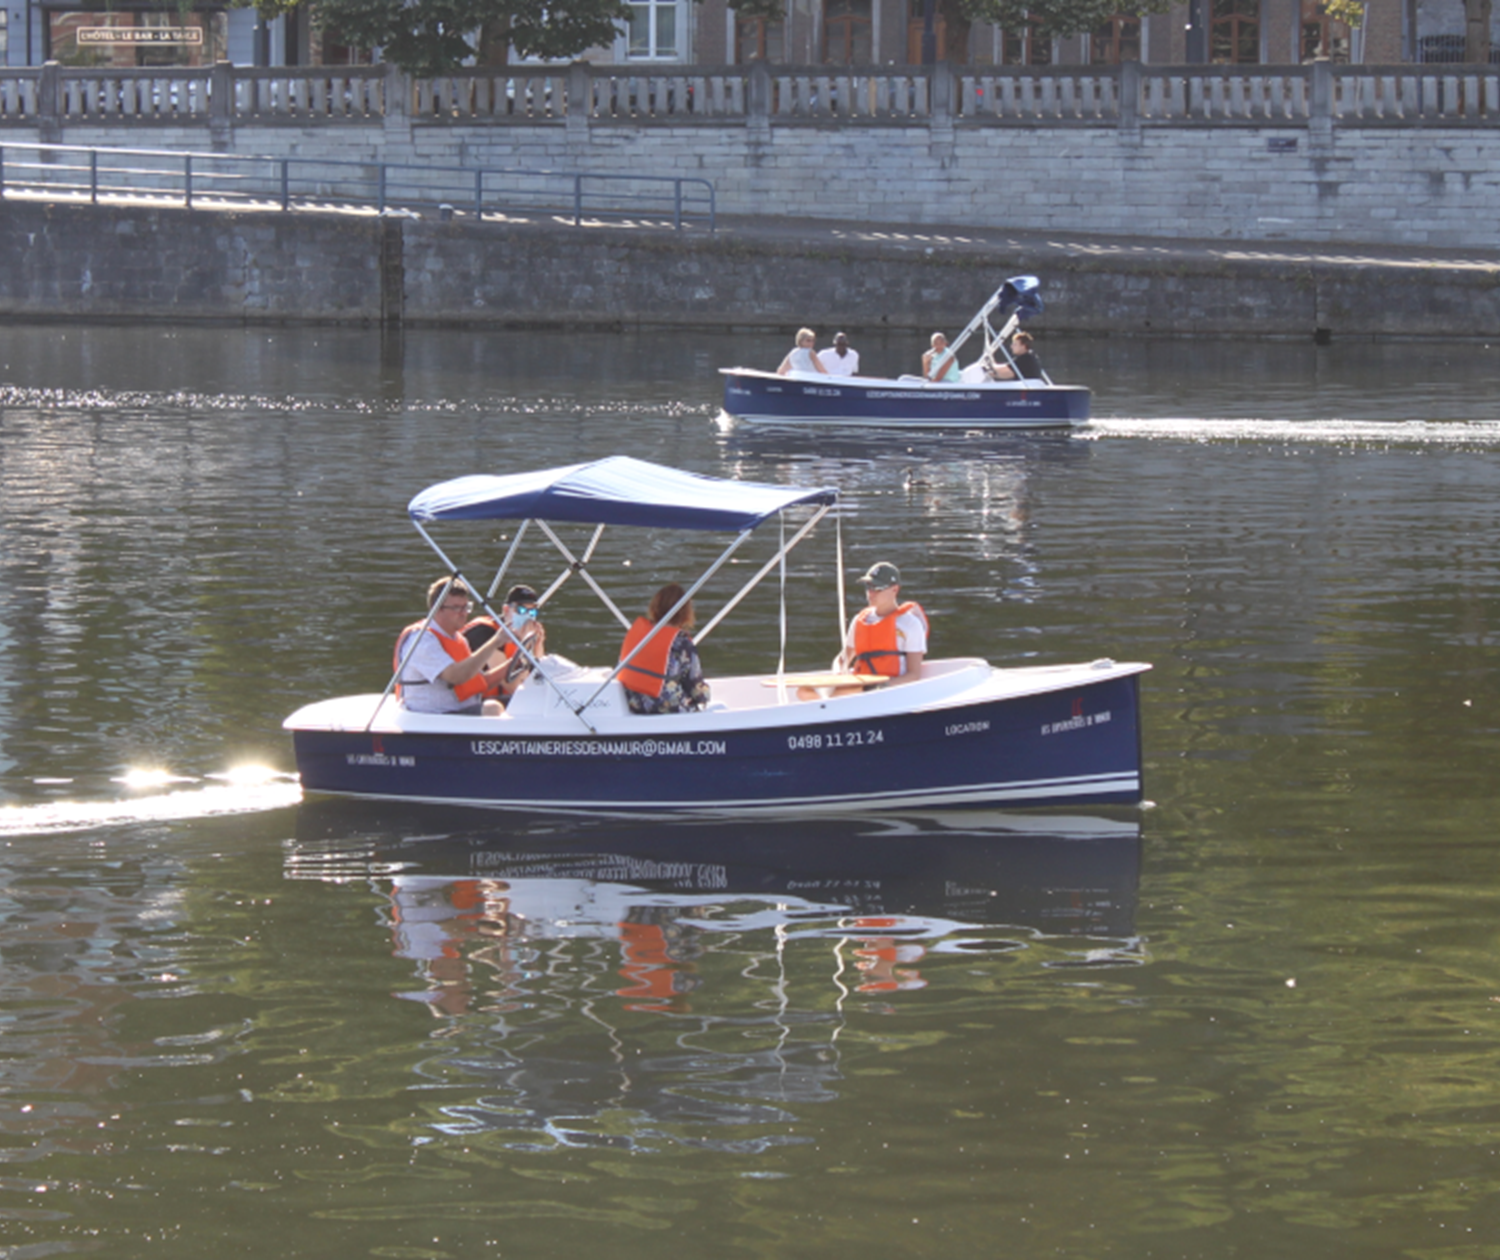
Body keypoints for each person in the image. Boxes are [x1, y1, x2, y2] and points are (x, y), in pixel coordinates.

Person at [393, 578, 515, 714]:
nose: (463, 613)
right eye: (456, 608)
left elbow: (480, 682)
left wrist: (517, 662)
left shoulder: (458, 639)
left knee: (518, 701)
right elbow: (455, 676)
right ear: (437, 609)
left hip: (460, 711)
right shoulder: (422, 640)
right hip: (434, 716)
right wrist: (495, 642)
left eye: (466, 607)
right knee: (492, 708)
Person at [618, 582, 711, 715]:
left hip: (632, 701)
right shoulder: (680, 642)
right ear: (685, 612)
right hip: (663, 707)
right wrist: (705, 695)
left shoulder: (637, 632)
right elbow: (695, 686)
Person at [460, 583, 547, 705]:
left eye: (532, 612)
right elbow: (512, 687)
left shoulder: (520, 635)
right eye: (521, 610)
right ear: (506, 610)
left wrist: (537, 646)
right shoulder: (485, 633)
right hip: (473, 703)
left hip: (502, 699)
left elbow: (538, 680)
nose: (527, 616)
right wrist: (525, 646)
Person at [841, 562, 928, 682]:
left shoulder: (910, 624)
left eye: (877, 588)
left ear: (895, 589)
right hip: (861, 689)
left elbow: (914, 674)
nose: (871, 593)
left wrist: (881, 687)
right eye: (869, 587)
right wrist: (839, 671)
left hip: (893, 691)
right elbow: (842, 659)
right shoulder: (858, 621)